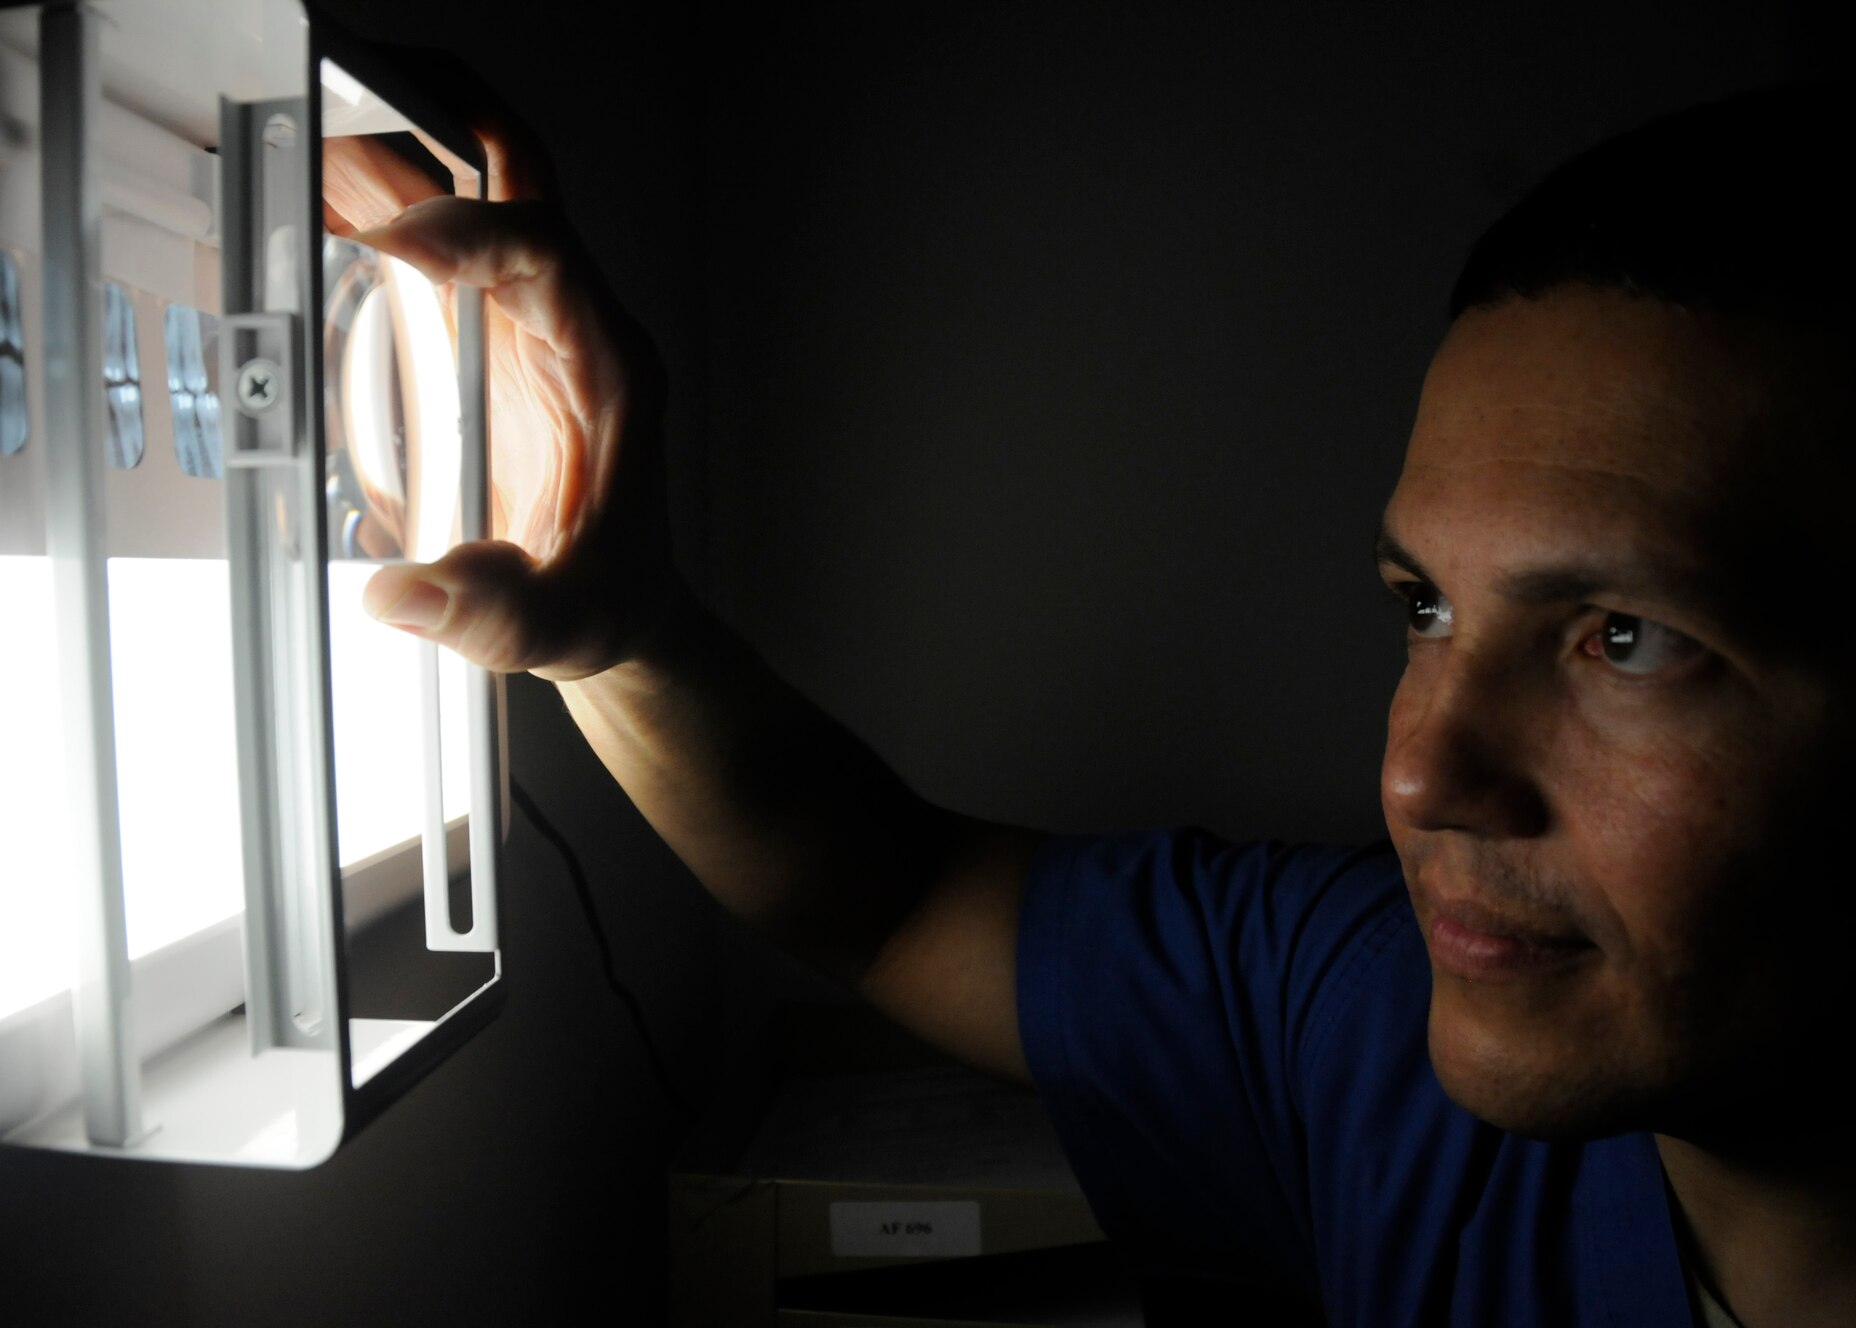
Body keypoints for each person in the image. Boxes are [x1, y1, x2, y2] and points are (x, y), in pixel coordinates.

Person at [330, 83, 1856, 1325]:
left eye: (1629, 641)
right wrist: (625, 633)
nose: (1421, 775)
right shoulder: (1382, 1022)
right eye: (1426, 610)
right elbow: (893, 898)